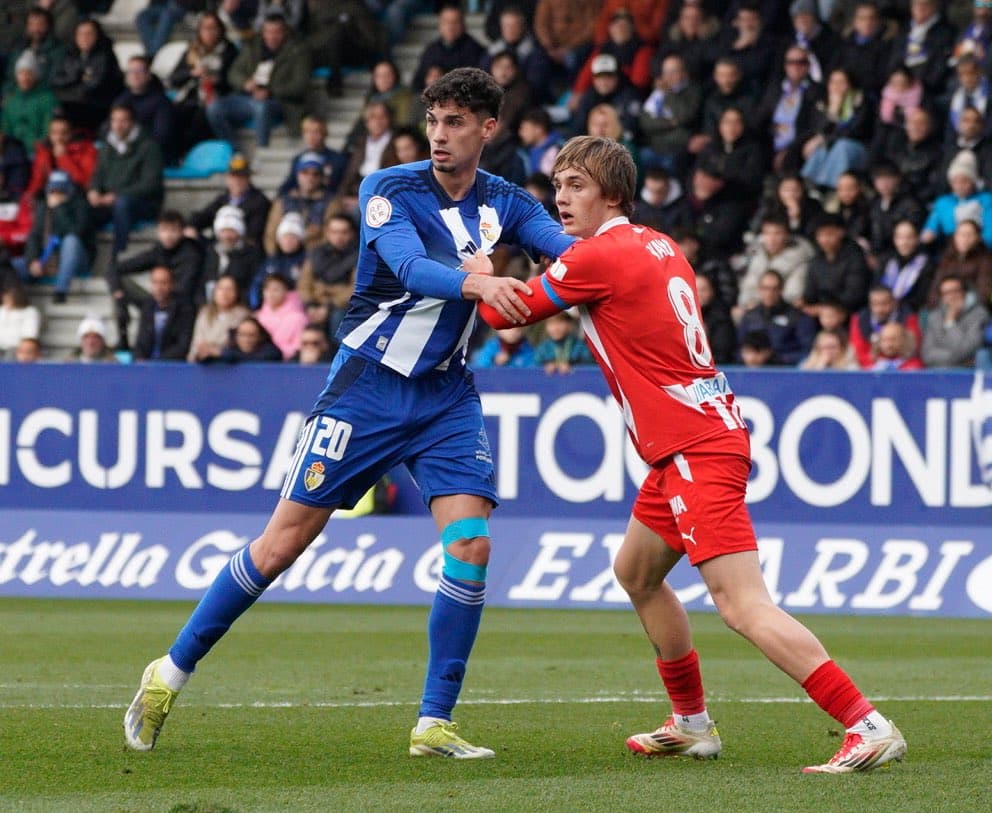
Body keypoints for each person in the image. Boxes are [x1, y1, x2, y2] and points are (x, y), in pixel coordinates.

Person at [123, 66, 576, 757]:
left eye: (455, 122)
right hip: (367, 386)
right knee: (281, 546)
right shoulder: (385, 188)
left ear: (488, 129)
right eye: (432, 121)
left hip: (447, 393)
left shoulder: (504, 200)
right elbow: (406, 266)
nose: (439, 136)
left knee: (472, 545)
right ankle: (170, 668)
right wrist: (481, 280)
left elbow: (573, 255)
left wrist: (633, 259)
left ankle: (434, 721)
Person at [476, 134, 907, 773]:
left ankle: (866, 724)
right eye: (558, 185)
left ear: (613, 194)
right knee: (637, 572)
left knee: (740, 604)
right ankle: (692, 723)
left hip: (692, 448)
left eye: (576, 186)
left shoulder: (599, 257)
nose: (561, 197)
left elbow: (503, 316)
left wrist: (474, 263)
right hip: (690, 442)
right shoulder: (656, 243)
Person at [207, 13, 311, 148]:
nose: (272, 37)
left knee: (261, 107)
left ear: (285, 32)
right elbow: (234, 73)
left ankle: (262, 151)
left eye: (277, 32)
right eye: (268, 32)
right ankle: (234, 150)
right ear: (263, 32)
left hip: (279, 101)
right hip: (247, 97)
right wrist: (245, 83)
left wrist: (270, 92)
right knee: (214, 107)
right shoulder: (252, 47)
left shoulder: (298, 51)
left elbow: (299, 86)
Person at [87, 103, 165, 262]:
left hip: (142, 203)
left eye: (123, 121)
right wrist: (93, 190)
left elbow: (151, 184)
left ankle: (118, 258)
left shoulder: (149, 147)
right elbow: (98, 175)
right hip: (109, 201)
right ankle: (87, 257)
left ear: (133, 123)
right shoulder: (107, 146)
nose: (118, 125)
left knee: (122, 204)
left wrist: (117, 195)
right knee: (82, 208)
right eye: (115, 121)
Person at [18, 169, 92, 304]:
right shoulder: (42, 207)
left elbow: (76, 231)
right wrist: (32, 260)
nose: (56, 194)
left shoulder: (81, 205)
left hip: (76, 261)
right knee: (12, 266)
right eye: (53, 191)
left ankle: (60, 291)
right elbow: (34, 236)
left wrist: (60, 208)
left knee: (71, 241)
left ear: (70, 191)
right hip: (46, 260)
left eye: (61, 191)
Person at [921, 275, 990, 368]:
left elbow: (967, 350)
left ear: (965, 292)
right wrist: (953, 356)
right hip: (938, 369)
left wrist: (950, 322)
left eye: (955, 291)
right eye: (946, 293)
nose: (951, 296)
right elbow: (927, 354)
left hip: (966, 372)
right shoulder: (935, 317)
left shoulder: (979, 315)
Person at [133, 264, 196, 362]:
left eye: (163, 283)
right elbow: (140, 342)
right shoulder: (148, 307)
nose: (159, 288)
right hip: (147, 367)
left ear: (172, 284)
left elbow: (183, 345)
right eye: (155, 283)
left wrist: (157, 362)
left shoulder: (184, 309)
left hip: (172, 367)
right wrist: (139, 359)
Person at [187, 273, 251, 363]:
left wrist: (213, 349)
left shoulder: (242, 315)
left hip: (227, 364)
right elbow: (197, 341)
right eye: (221, 288)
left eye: (229, 289)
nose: (224, 293)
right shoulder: (204, 313)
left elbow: (232, 343)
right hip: (202, 362)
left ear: (236, 293)